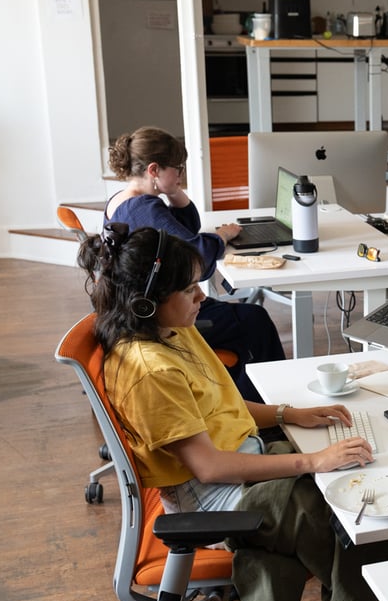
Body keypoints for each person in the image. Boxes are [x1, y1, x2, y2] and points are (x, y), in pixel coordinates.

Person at [78, 223, 388, 601]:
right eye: (188, 289)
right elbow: (210, 468)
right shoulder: (151, 371)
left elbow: (220, 403)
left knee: (350, 485)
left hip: (241, 462)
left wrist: (288, 414)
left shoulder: (172, 329)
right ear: (146, 302)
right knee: (352, 522)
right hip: (213, 497)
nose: (201, 296)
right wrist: (313, 461)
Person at [105, 126, 285, 409]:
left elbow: (187, 229)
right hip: (155, 318)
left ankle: (241, 400)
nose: (181, 175)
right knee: (255, 321)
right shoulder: (145, 209)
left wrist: (174, 192)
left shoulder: (123, 200)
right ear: (154, 169)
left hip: (141, 309)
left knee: (245, 321)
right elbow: (197, 258)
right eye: (177, 169)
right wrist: (223, 236)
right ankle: (269, 406)